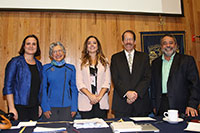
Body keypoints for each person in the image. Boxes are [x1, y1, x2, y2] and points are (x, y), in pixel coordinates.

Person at [151, 34, 200, 117]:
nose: (168, 45)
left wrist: (192, 104)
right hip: (161, 105)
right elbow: (153, 86)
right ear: (161, 47)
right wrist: (154, 105)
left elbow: (195, 84)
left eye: (171, 43)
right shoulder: (155, 63)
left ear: (176, 45)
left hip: (182, 106)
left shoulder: (187, 60)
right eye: (165, 43)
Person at [110, 30, 151, 118]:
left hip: (141, 104)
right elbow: (115, 79)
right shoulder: (115, 58)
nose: (128, 42)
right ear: (122, 42)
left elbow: (147, 77)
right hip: (122, 104)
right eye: (126, 39)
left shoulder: (144, 57)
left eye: (131, 39)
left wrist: (135, 93)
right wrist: (127, 93)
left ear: (135, 42)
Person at [3, 34, 43, 121]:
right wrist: (12, 108)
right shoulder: (15, 62)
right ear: (24, 46)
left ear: (37, 47)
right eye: (28, 43)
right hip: (19, 107)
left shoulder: (39, 65)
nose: (31, 46)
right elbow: (8, 86)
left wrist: (39, 105)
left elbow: (39, 88)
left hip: (34, 108)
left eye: (34, 44)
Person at [41, 42, 78, 121]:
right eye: (54, 52)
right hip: (50, 109)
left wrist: (74, 107)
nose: (57, 53)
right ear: (51, 55)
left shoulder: (71, 68)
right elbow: (43, 89)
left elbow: (74, 89)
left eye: (60, 51)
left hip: (67, 108)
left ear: (64, 53)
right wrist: (45, 107)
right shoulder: (46, 68)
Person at [76, 35, 111, 119]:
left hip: (101, 102)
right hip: (86, 102)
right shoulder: (80, 62)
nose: (92, 45)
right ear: (86, 47)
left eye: (94, 43)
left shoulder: (104, 62)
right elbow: (79, 83)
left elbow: (107, 82)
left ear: (98, 46)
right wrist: (91, 96)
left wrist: (98, 97)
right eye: (89, 43)